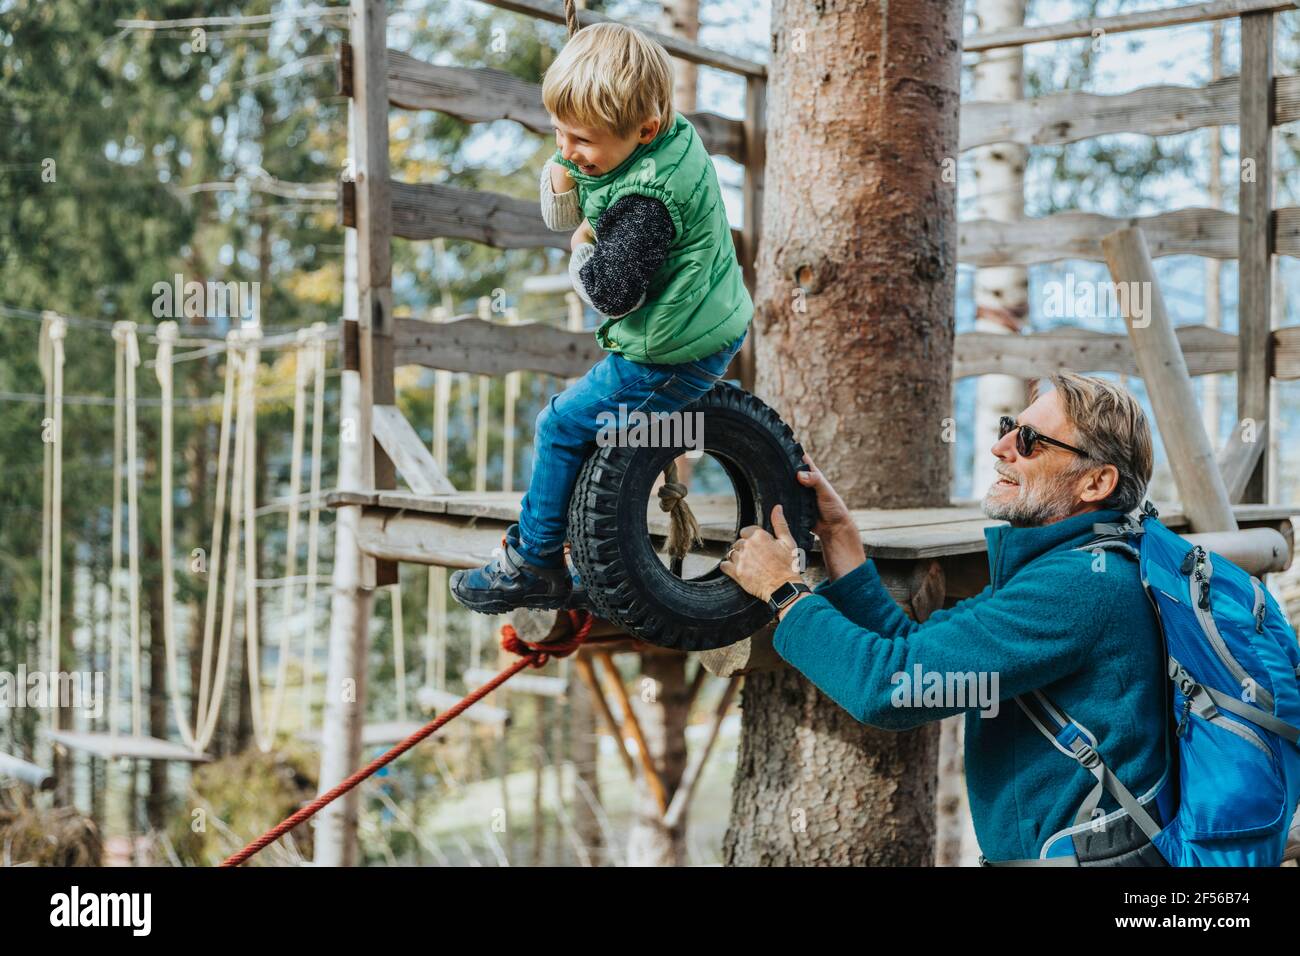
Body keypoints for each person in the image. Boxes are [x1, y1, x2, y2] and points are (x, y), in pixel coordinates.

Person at [721, 371, 1172, 865]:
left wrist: (783, 593)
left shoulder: (1079, 587)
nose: (1000, 447)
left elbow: (890, 688)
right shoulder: (1076, 564)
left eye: (1029, 440)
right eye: (1008, 426)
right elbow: (911, 647)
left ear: (1096, 482)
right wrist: (839, 536)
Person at [452, 22, 750, 613]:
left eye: (580, 140)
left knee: (560, 426)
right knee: (597, 431)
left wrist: (582, 247)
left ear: (645, 129)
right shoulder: (654, 139)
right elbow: (571, 201)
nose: (566, 150)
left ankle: (533, 562)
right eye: (558, 133)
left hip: (671, 352)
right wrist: (566, 177)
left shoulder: (647, 201)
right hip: (700, 325)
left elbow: (612, 295)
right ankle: (588, 552)